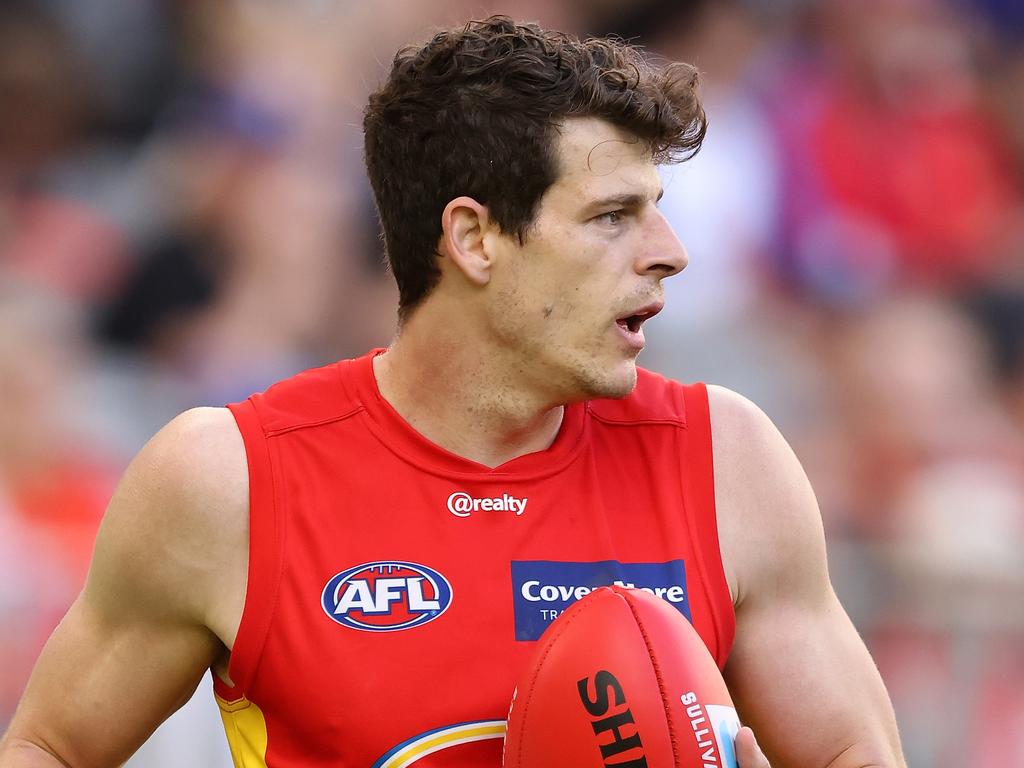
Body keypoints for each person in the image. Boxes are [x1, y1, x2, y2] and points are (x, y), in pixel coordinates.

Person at [0, 16, 906, 768]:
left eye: (656, 208)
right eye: (611, 216)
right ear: (473, 239)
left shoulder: (727, 458)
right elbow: (48, 747)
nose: (670, 249)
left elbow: (852, 756)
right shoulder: (228, 480)